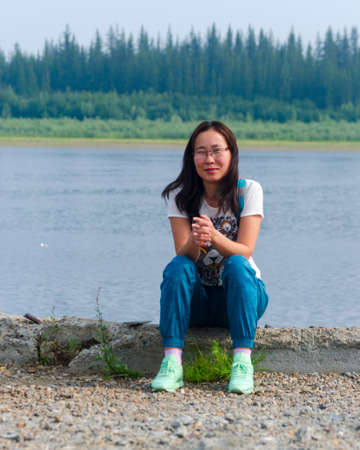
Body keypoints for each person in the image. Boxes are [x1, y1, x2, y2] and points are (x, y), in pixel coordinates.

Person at [151, 121, 269, 394]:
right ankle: (172, 364)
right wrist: (195, 240)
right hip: (199, 301)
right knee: (178, 266)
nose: (210, 159)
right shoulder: (180, 196)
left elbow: (246, 249)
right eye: (201, 152)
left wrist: (215, 237)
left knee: (238, 264)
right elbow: (183, 253)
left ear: (231, 153)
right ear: (191, 157)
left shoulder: (248, 191)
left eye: (217, 150)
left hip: (242, 296)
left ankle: (242, 363)